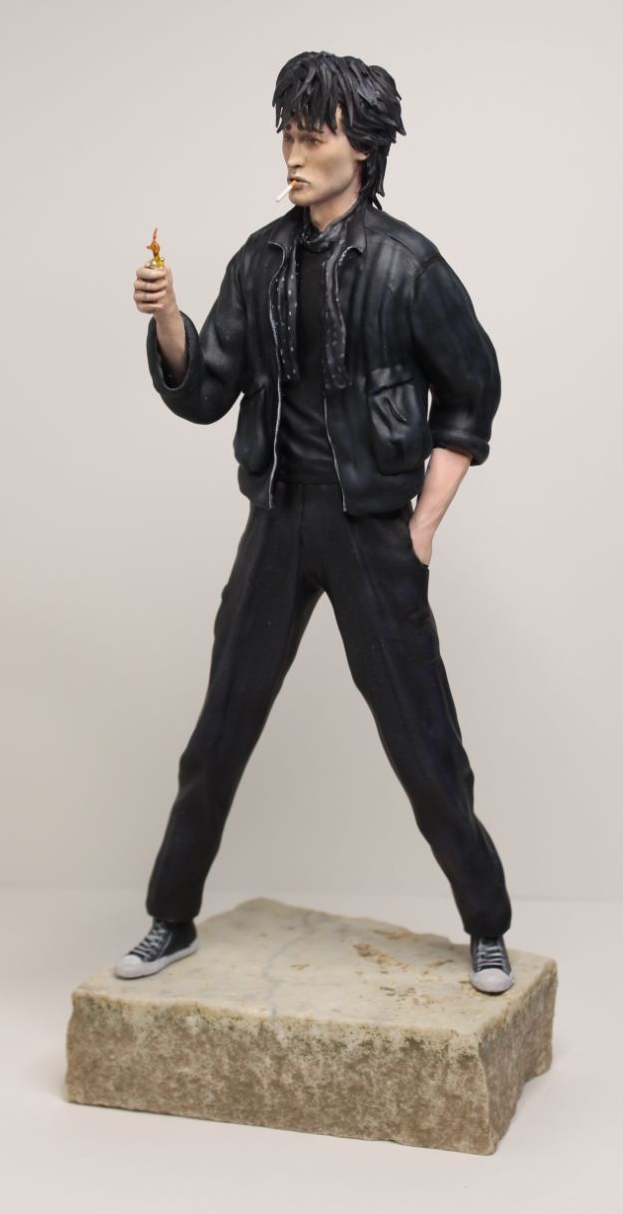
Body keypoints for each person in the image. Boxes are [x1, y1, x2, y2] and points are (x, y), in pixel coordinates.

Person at [116, 51, 515, 994]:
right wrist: (168, 320)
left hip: (370, 531)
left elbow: (471, 395)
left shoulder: (409, 266)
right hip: (277, 522)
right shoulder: (259, 260)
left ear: (360, 149)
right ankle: (170, 917)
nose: (292, 156)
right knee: (220, 731)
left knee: (422, 738)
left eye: (311, 138)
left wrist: (423, 524)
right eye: (286, 138)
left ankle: (487, 925)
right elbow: (205, 389)